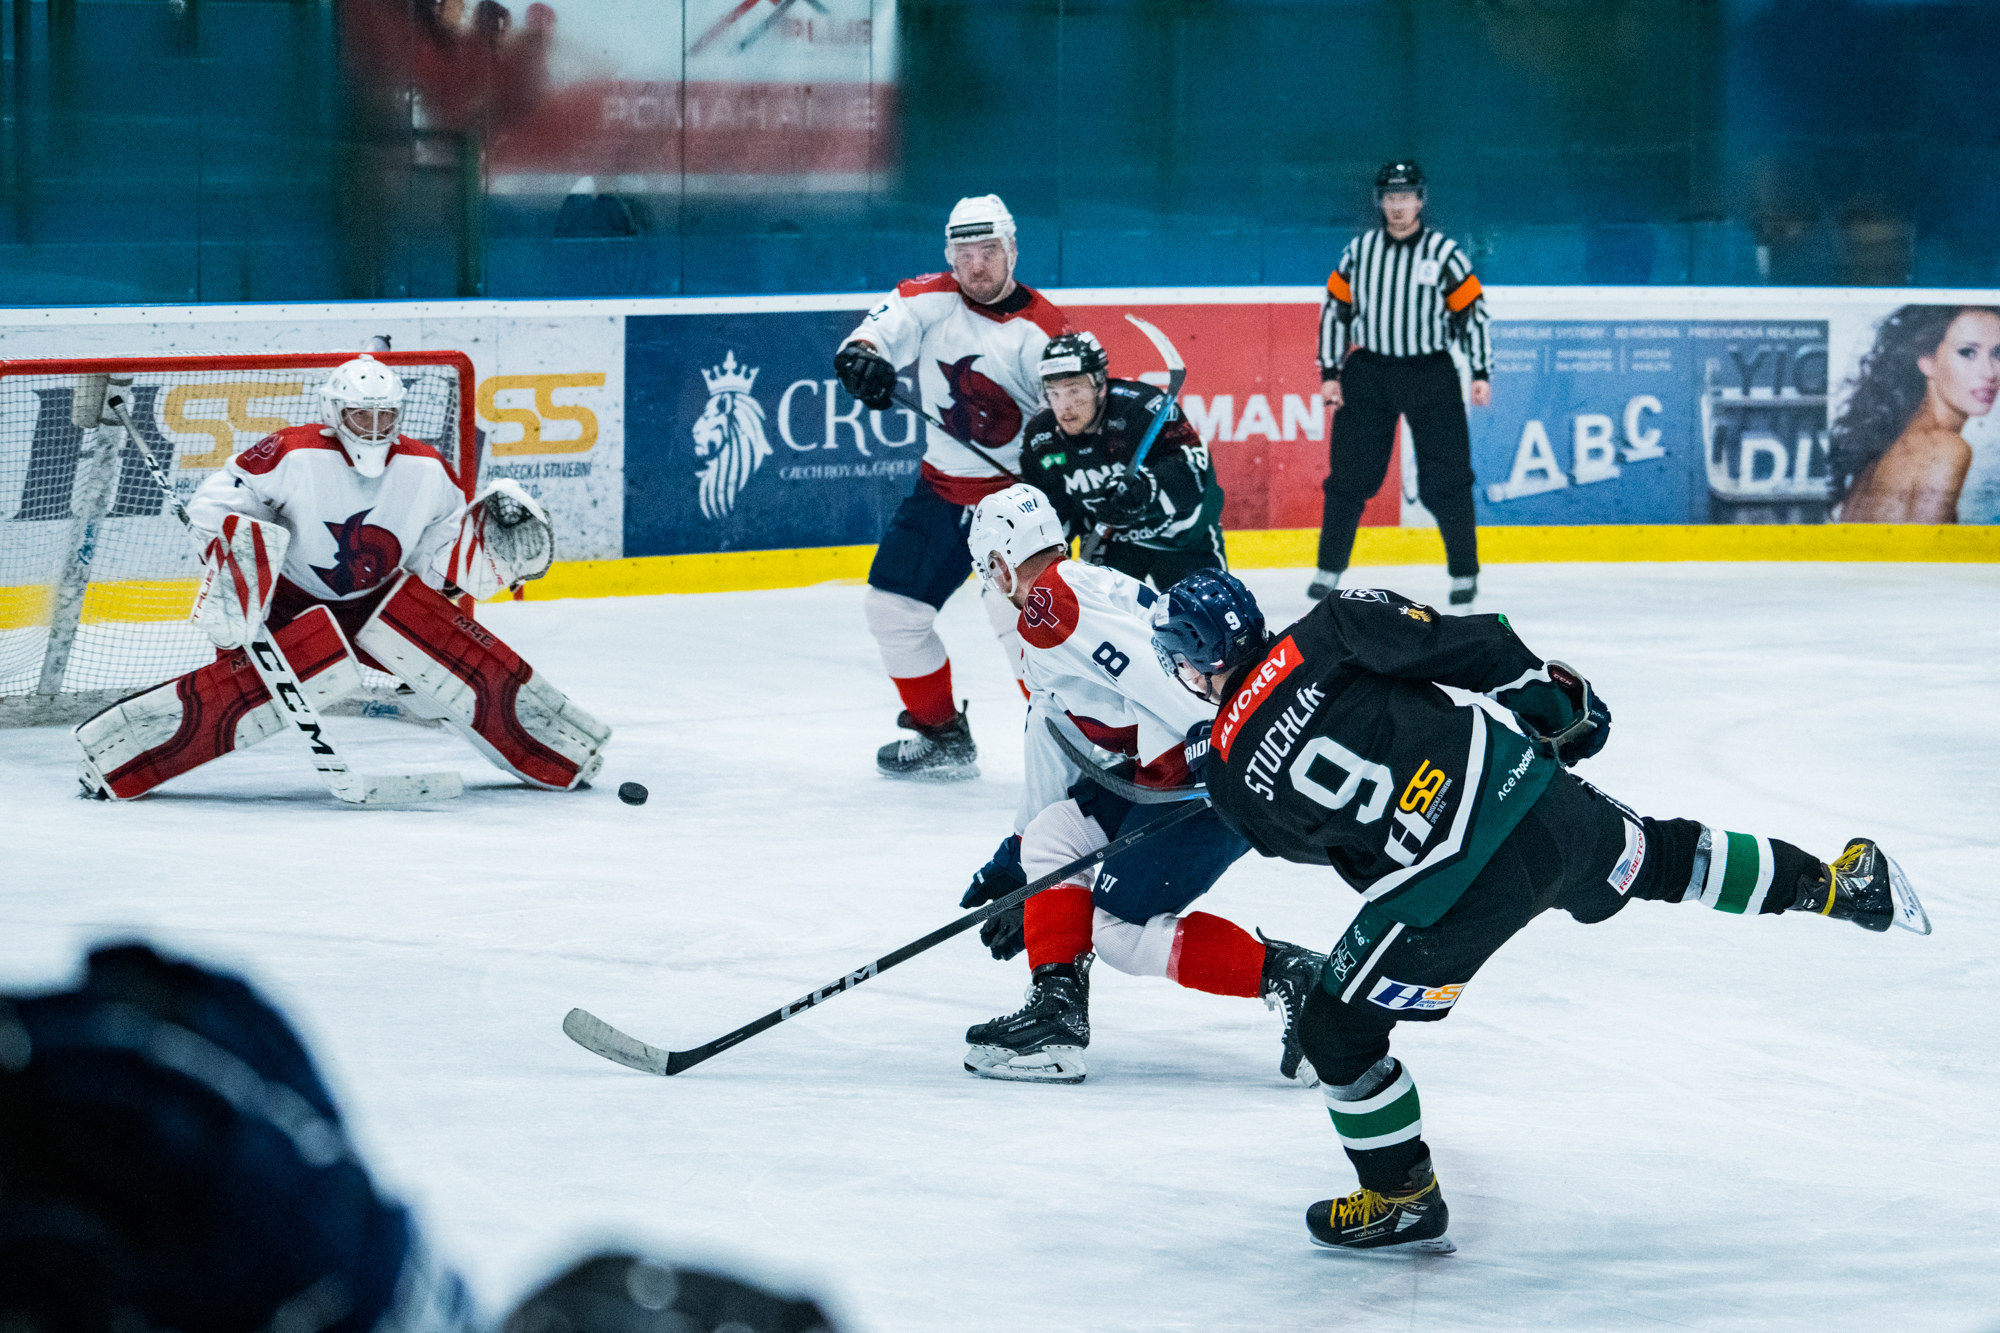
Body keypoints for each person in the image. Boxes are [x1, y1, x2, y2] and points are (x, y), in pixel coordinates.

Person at [1148, 571, 1930, 1254]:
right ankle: (1839, 884)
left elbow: (1314, 846)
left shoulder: (1225, 774)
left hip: (1445, 893)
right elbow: (1467, 642)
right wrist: (1551, 697)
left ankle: (1401, 1197)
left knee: (1334, 1031)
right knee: (1661, 856)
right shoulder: (1333, 622)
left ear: (1189, 663)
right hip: (1536, 799)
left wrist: (1235, 755)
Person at [73, 354, 610, 800]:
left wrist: (472, 555)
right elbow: (218, 502)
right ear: (335, 412)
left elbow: (436, 553)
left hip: (379, 604)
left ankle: (563, 750)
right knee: (238, 691)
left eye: (385, 417)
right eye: (361, 417)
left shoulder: (426, 469)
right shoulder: (293, 451)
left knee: (462, 662)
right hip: (287, 606)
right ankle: (116, 758)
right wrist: (240, 550)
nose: (374, 429)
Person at [954, 484, 1325, 1085]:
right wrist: (1019, 861)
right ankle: (1055, 1013)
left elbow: (1158, 672)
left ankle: (1290, 977)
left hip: (1205, 774)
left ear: (999, 564)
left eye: (987, 572)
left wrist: (1227, 749)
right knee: (1053, 837)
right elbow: (1049, 733)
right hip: (1174, 766)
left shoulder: (1051, 604)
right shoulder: (1083, 584)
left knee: (1113, 929)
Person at [834, 196, 1069, 781]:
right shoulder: (928, 296)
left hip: (1019, 502)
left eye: (988, 251)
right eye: (964, 254)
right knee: (892, 612)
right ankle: (940, 734)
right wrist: (861, 360)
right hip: (942, 493)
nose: (976, 266)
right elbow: (872, 338)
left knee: (1021, 628)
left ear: (1013, 250)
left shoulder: (1045, 331)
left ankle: (1076, 754)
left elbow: (1073, 426)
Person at [1312, 161, 1492, 608]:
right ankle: (1328, 567)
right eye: (1390, 197)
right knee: (1350, 477)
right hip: (1368, 371)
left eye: (1406, 196)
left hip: (1430, 372)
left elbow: (1473, 316)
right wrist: (1330, 373)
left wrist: (1481, 371)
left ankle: (1464, 573)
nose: (1397, 205)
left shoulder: (1445, 253)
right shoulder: (1359, 253)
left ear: (1420, 199)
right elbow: (1335, 313)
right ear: (1381, 201)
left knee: (1448, 478)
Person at [1019, 332, 1228, 586]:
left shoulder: (1144, 408)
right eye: (1054, 393)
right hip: (1109, 543)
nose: (1064, 407)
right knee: (1100, 623)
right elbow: (1052, 507)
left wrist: (1145, 487)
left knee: (1208, 621)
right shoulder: (1041, 437)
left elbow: (1193, 478)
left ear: (1100, 384)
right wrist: (1050, 548)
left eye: (1074, 391)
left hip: (1181, 538)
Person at [1831, 304, 2000, 523]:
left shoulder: (1884, 450)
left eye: (1998, 353)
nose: (1989, 372)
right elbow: (1925, 555)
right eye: (1967, 352)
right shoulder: (1945, 449)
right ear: (1927, 361)